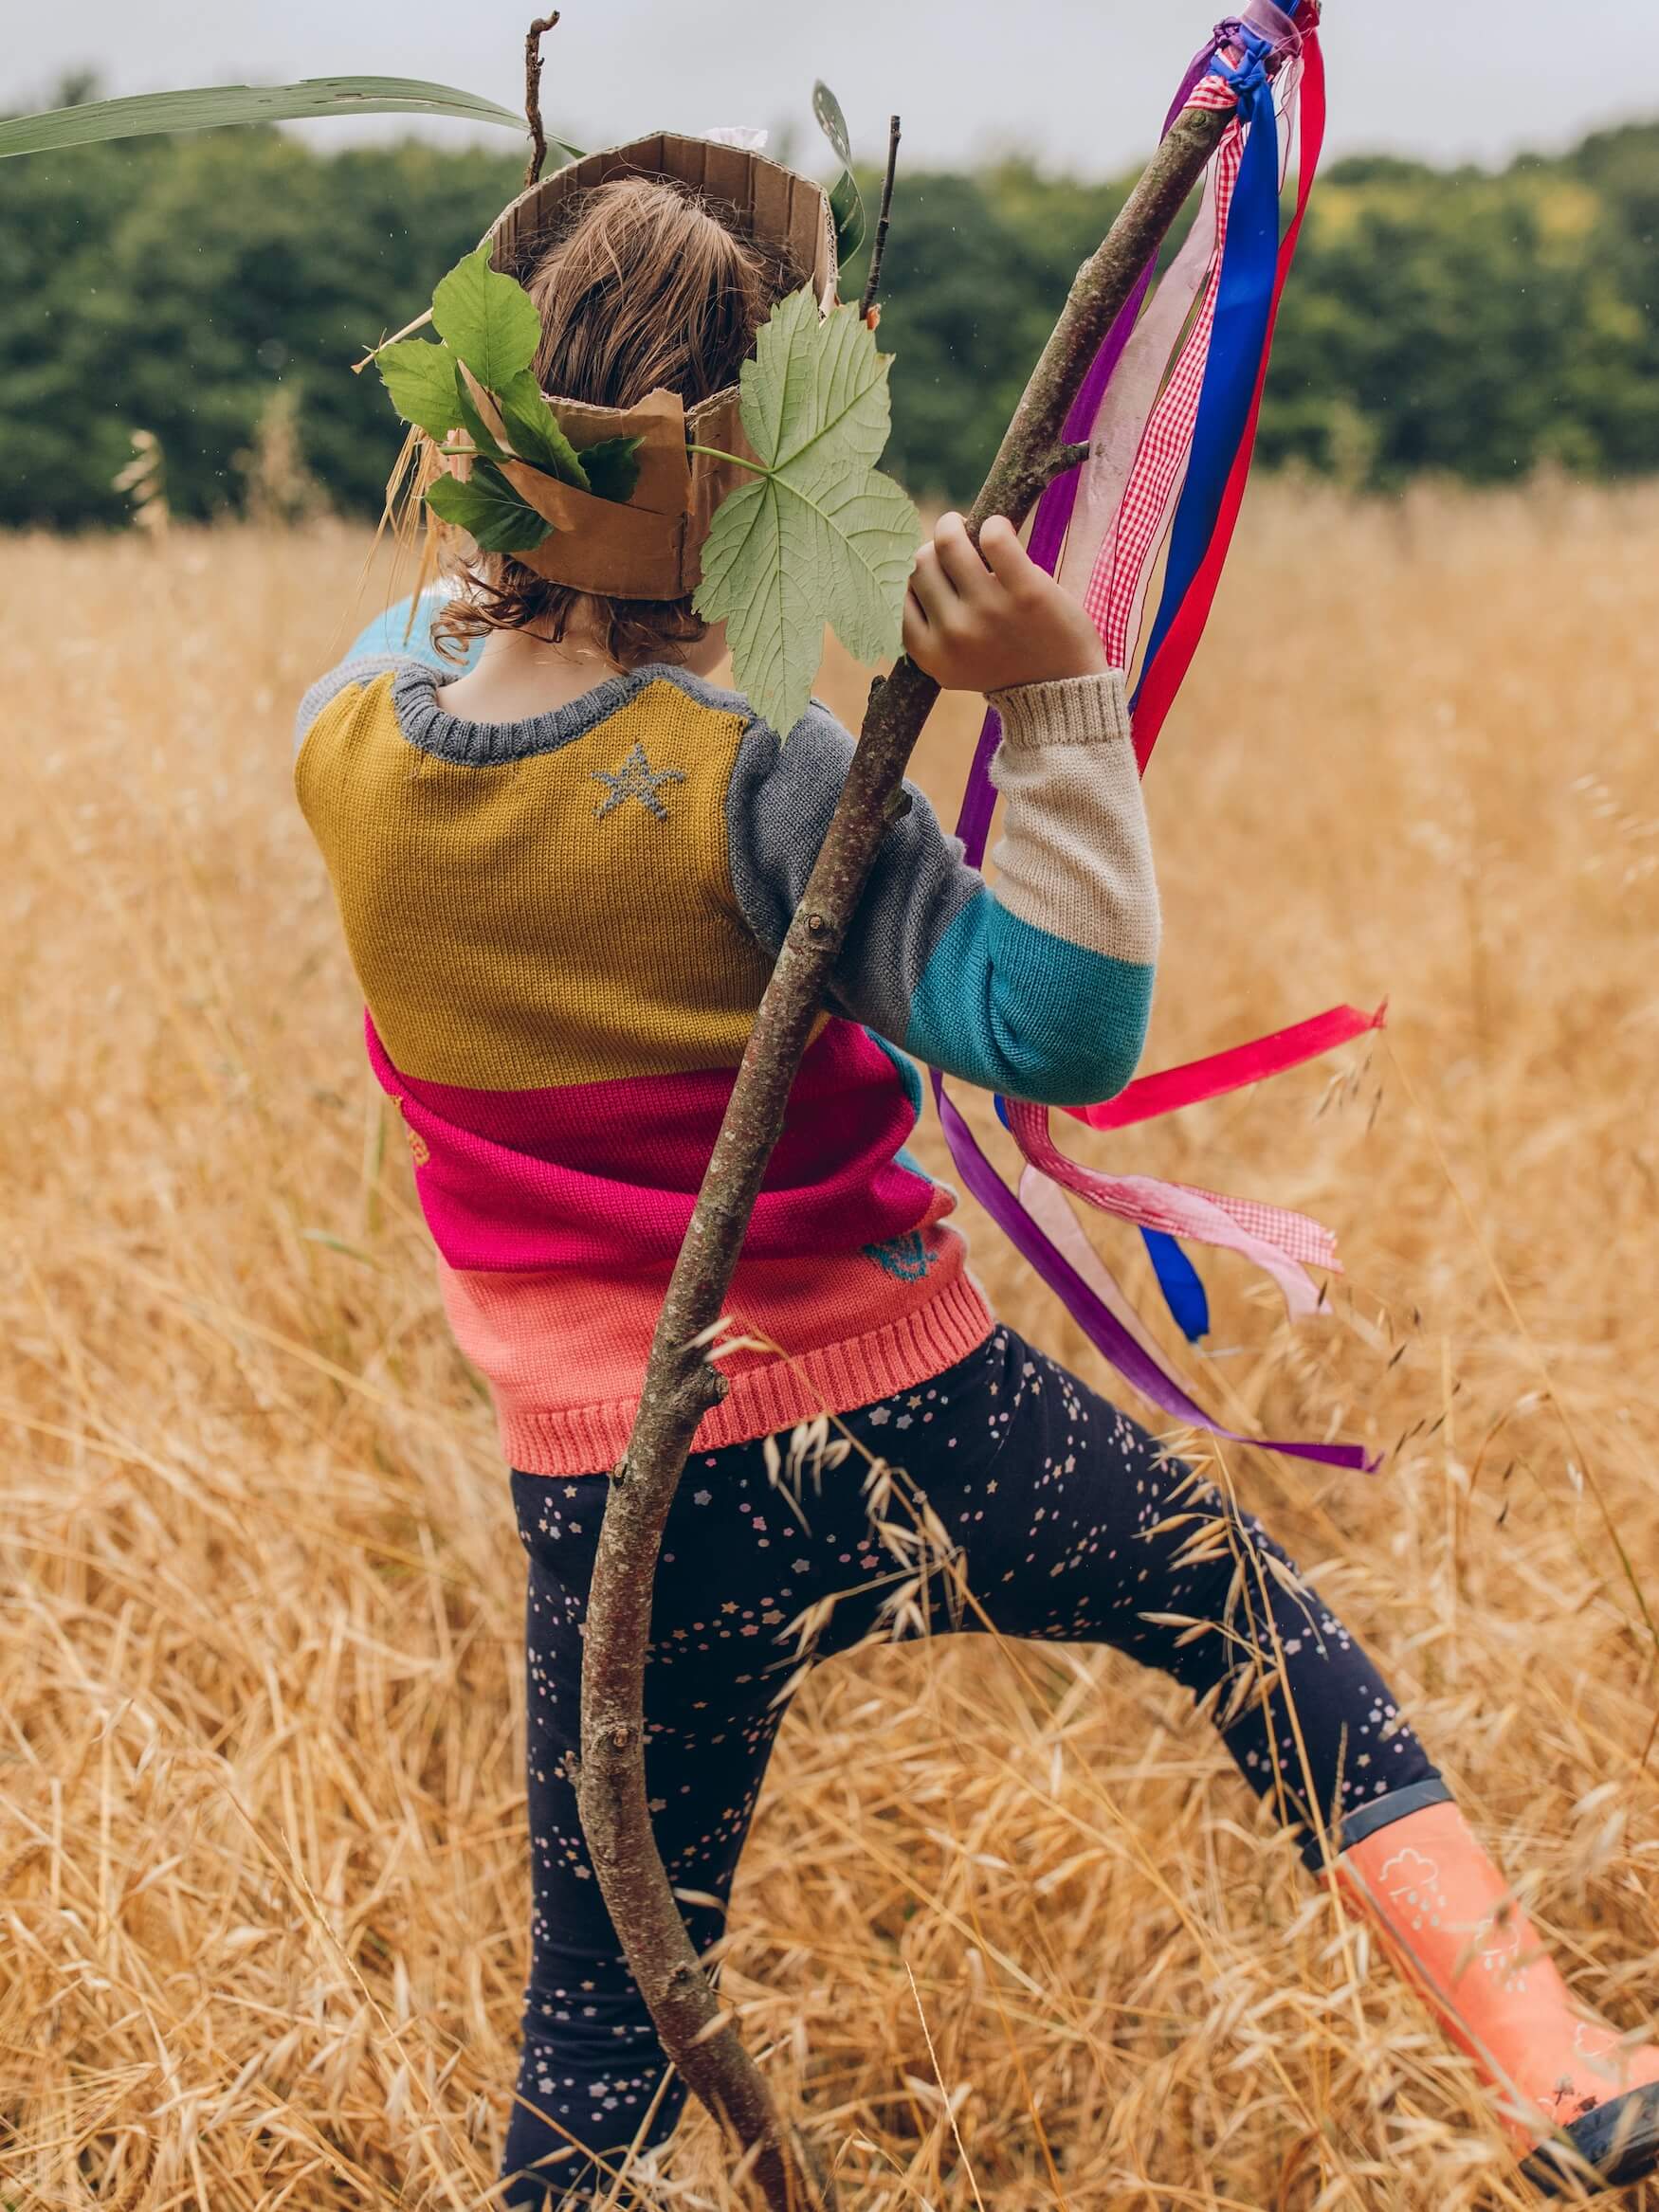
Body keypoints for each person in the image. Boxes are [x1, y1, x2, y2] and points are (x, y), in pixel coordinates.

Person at [292, 151, 1659, 2205]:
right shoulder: (762, 787)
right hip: (905, 1409)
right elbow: (1055, 1028)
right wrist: (1053, 698)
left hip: (614, 1486)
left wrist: (532, 477)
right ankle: (1552, 2066)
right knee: (1240, 1619)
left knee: (600, 2018)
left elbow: (435, 613)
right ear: (772, 490)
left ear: (468, 454)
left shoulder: (344, 733)